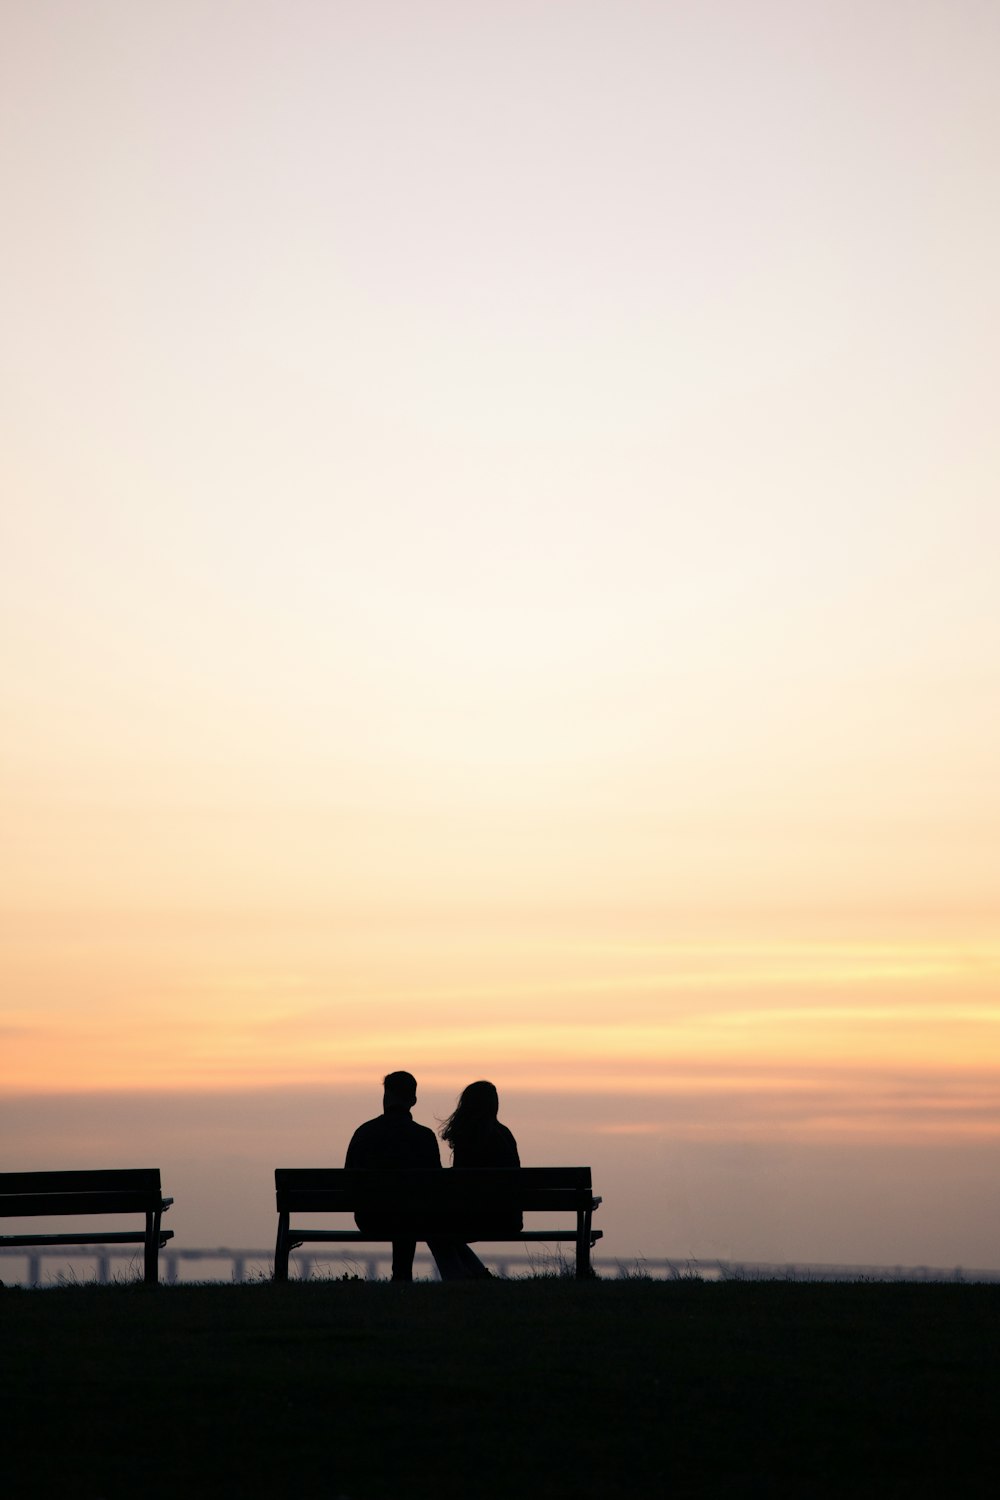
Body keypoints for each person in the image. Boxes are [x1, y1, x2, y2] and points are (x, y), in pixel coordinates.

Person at [345, 1070, 440, 1281]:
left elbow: (348, 1180)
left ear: (386, 1097)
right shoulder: (424, 1137)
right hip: (412, 1218)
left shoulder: (364, 1133)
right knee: (408, 1210)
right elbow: (436, 1185)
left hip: (370, 1218)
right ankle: (402, 1275)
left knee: (402, 1208)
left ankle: (401, 1276)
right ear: (413, 1100)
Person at [432, 1080, 522, 1277]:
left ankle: (459, 1278)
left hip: (475, 1218)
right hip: (508, 1219)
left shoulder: (467, 1138)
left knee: (434, 1228)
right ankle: (478, 1276)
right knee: (442, 1230)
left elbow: (460, 1186)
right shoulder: (504, 1134)